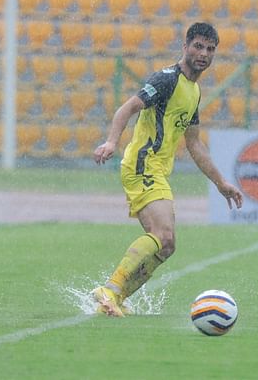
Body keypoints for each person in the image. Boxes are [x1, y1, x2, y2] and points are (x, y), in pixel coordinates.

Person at [92, 22, 244, 317]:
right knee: (162, 233)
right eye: (198, 46)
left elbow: (194, 144)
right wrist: (112, 142)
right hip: (142, 164)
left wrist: (221, 182)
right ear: (185, 46)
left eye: (210, 49)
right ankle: (110, 288)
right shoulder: (166, 80)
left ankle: (115, 299)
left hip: (158, 171)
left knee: (167, 245)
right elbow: (127, 109)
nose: (203, 53)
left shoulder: (194, 92)